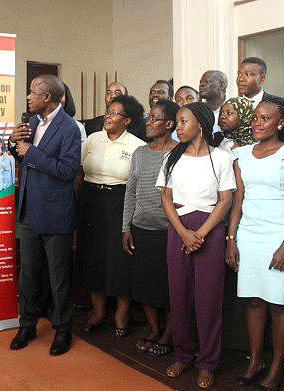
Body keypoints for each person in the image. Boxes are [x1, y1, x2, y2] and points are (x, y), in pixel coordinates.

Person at [156, 102, 235, 388]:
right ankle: (182, 355)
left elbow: (225, 200)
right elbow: (165, 197)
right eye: (176, 122)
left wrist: (200, 233)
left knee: (208, 300)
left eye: (182, 122)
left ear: (200, 124)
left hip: (210, 230)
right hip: (179, 228)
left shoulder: (222, 158)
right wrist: (184, 233)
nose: (177, 127)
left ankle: (207, 362)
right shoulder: (172, 158)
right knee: (179, 296)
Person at [226, 96, 284, 390]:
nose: (257, 123)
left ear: (280, 123)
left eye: (265, 118)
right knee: (254, 300)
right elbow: (238, 199)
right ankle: (255, 361)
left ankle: (277, 367)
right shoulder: (240, 154)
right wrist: (232, 240)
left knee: (280, 304)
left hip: (280, 235)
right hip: (249, 235)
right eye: (255, 117)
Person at [8, 74, 80, 356]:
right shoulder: (32, 121)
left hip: (56, 213)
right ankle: (27, 325)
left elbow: (67, 171)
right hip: (28, 211)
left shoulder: (69, 128)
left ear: (47, 97)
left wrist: (32, 153)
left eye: (32, 93)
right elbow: (21, 155)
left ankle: (63, 330)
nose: (28, 98)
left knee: (58, 277)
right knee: (27, 275)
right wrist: (14, 145)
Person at [77, 94, 145, 337]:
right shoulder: (93, 139)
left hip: (120, 201)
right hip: (91, 200)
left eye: (114, 113)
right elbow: (80, 171)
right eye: (107, 111)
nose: (108, 115)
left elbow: (137, 185)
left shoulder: (137, 145)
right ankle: (98, 310)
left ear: (127, 120)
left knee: (119, 259)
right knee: (93, 256)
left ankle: (122, 312)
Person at [122, 99, 179, 355]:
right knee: (144, 285)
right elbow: (130, 192)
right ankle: (155, 329)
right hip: (141, 228)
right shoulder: (140, 153)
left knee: (168, 287)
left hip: (169, 231)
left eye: (155, 119)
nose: (148, 123)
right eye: (149, 118)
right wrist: (126, 227)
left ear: (169, 124)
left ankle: (170, 332)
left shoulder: (180, 153)